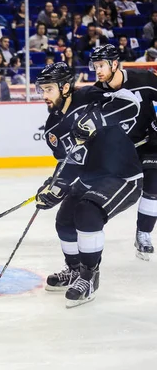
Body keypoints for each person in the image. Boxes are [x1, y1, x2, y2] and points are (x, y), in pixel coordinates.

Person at [35, 62, 142, 308]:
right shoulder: (53, 126)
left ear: (65, 87)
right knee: (64, 219)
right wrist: (55, 187)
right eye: (42, 90)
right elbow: (68, 162)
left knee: (87, 212)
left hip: (122, 176)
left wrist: (98, 119)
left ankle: (88, 276)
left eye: (48, 89)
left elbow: (131, 104)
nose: (44, 95)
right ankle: (73, 270)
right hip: (89, 178)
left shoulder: (90, 95)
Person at [90, 44, 157, 261]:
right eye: (95, 66)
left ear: (115, 64)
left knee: (154, 184)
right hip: (119, 151)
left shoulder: (145, 80)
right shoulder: (96, 93)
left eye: (101, 65)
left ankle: (144, 233)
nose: (98, 70)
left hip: (148, 143)